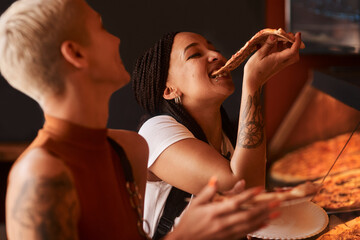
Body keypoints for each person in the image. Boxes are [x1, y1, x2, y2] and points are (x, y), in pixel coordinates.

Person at [0, 0, 279, 239]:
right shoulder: (38, 175)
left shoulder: (129, 149)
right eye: (100, 27)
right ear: (75, 53)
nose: (117, 39)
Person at [131, 31, 301, 237]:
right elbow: (243, 192)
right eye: (195, 55)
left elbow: (252, 199)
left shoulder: (227, 138)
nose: (216, 55)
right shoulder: (156, 131)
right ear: (169, 89)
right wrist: (253, 84)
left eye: (214, 49)